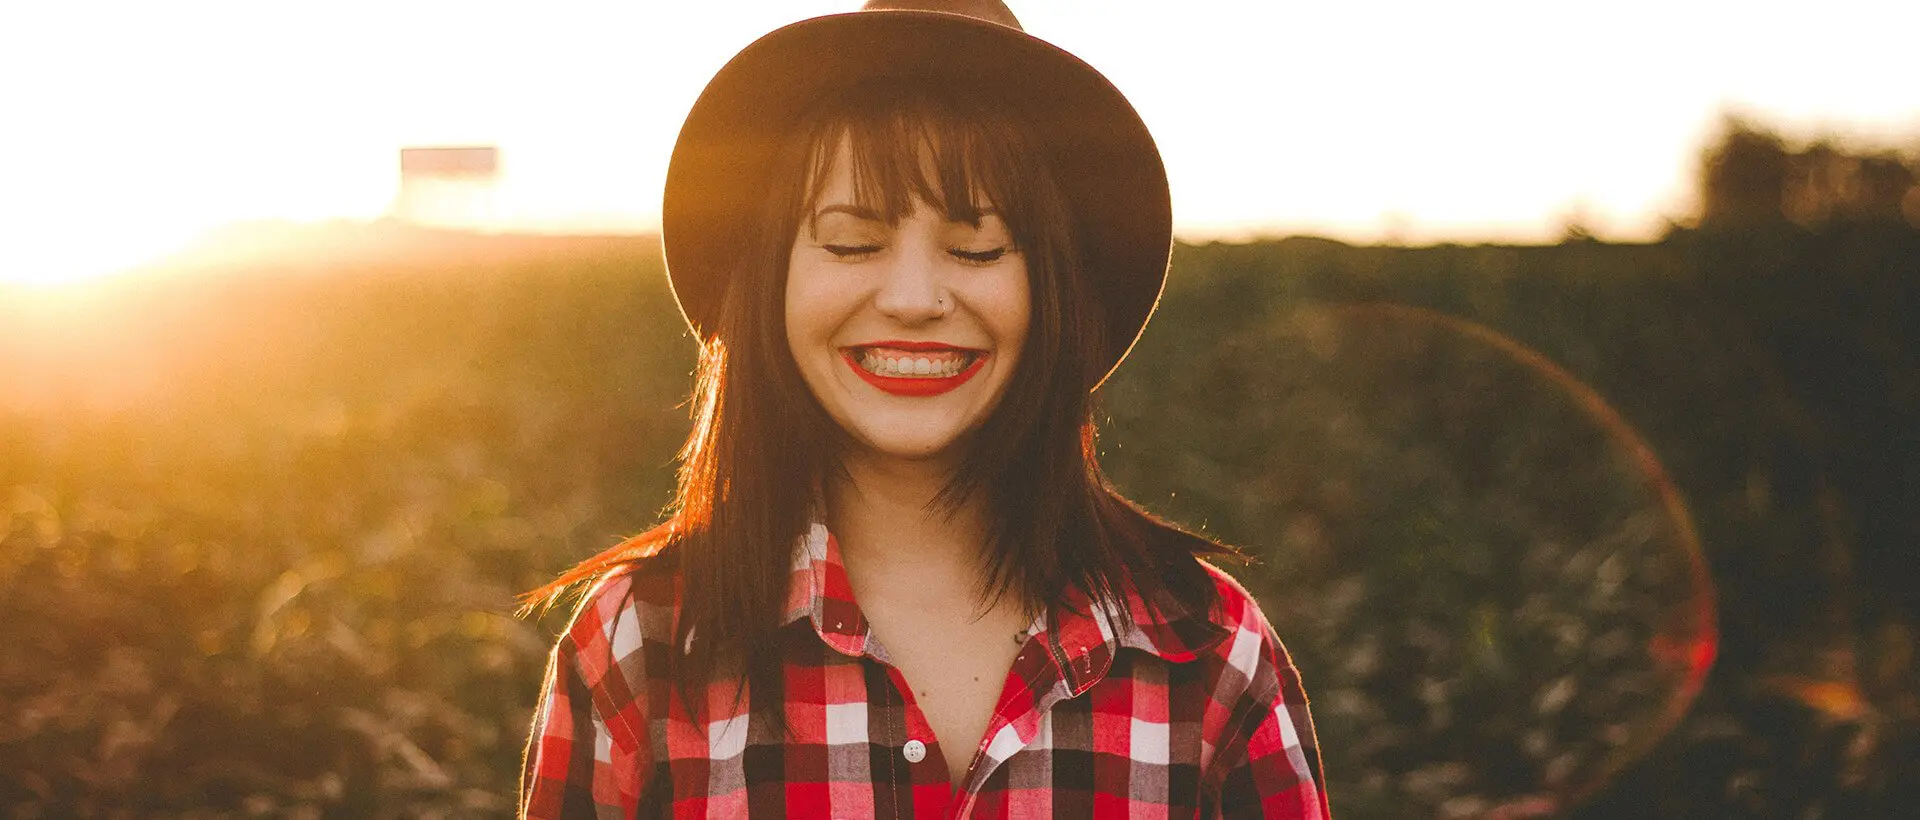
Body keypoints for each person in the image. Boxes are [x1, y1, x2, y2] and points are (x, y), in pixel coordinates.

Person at [519, 2, 1328, 816]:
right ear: (770, 282)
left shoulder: (1206, 651)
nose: (913, 299)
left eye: (977, 247)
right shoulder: (641, 648)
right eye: (850, 242)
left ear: (1053, 289)